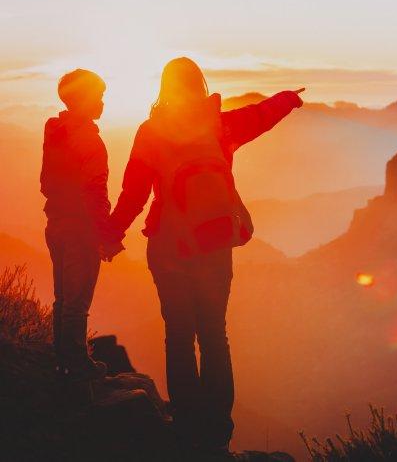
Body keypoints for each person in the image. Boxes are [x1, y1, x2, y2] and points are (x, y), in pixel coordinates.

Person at [109, 57, 303, 456]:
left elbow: (134, 192)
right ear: (199, 84)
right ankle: (217, 430)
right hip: (213, 246)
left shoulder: (152, 132)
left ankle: (186, 425)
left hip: (168, 247)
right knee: (215, 337)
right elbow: (260, 116)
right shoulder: (221, 125)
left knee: (179, 337)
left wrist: (111, 235)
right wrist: (287, 99)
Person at [41, 69, 125, 382]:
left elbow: (47, 181)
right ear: (85, 99)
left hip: (56, 223)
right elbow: (95, 194)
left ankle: (62, 361)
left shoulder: (56, 132)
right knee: (77, 302)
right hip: (80, 229)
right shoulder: (89, 141)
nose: (103, 102)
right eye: (99, 96)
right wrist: (107, 237)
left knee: (63, 298)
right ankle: (76, 366)